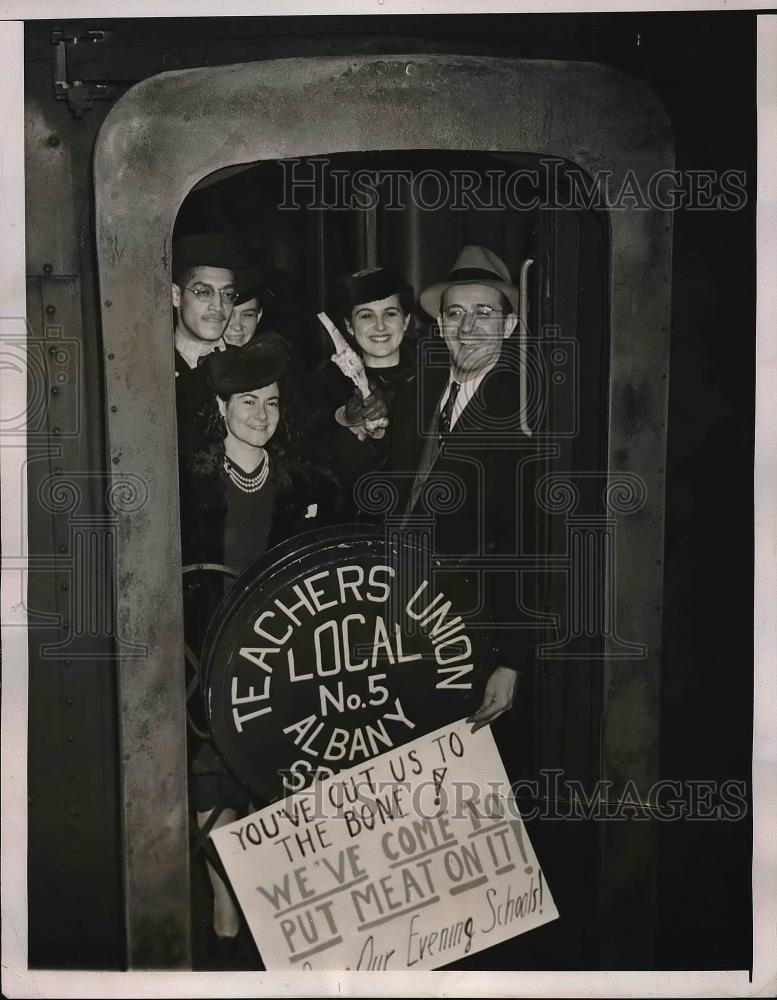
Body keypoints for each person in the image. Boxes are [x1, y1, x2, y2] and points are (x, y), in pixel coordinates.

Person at [390, 245, 534, 734]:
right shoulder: (420, 391)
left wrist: (512, 660)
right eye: (455, 313)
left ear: (509, 327)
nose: (467, 326)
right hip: (402, 622)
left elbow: (524, 544)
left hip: (475, 633)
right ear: (440, 325)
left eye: (484, 313)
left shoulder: (522, 414)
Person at [310, 265, 416, 518]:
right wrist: (350, 424)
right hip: (351, 529)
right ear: (348, 325)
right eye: (366, 315)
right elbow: (322, 476)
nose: (380, 326)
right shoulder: (324, 385)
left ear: (407, 320)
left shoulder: (432, 378)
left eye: (390, 313)